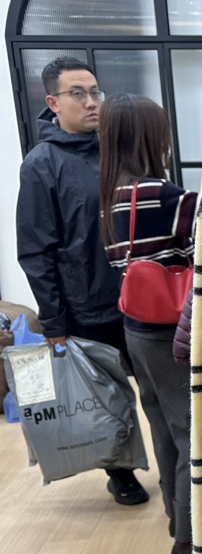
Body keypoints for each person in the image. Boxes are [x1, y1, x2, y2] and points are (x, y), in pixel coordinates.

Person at [16, 56, 149, 506]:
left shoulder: (117, 149)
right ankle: (121, 472)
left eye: (95, 92)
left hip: (142, 296)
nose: (92, 102)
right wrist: (54, 322)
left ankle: (180, 468)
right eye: (78, 94)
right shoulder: (41, 164)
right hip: (87, 305)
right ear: (53, 102)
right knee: (107, 398)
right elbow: (36, 250)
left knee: (159, 390)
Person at [98, 93, 196, 554]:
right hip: (170, 330)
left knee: (163, 427)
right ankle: (190, 542)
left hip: (135, 328)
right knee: (192, 433)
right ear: (149, 137)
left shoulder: (109, 199)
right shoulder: (167, 195)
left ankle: (177, 521)